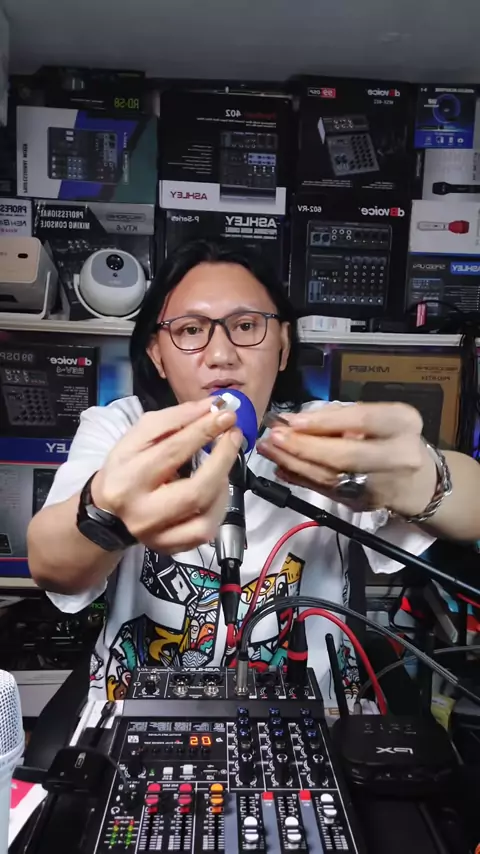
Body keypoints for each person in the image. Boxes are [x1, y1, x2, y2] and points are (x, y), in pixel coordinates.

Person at [27, 240, 480, 703]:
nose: (221, 354)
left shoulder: (328, 435)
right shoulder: (121, 429)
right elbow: (50, 565)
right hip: (137, 712)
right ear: (158, 355)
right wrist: (107, 509)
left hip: (309, 717)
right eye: (190, 330)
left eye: (245, 326)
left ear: (283, 346)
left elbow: (474, 508)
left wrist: (419, 479)